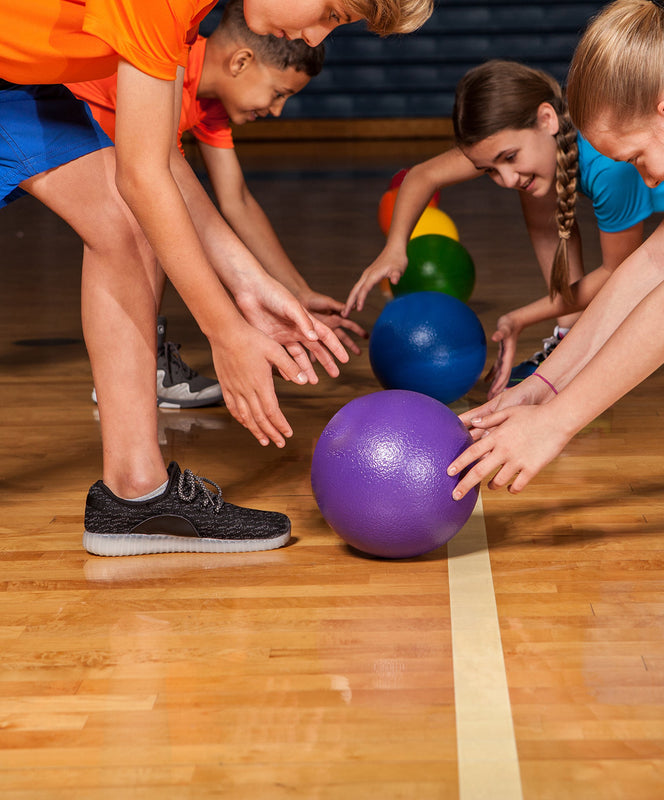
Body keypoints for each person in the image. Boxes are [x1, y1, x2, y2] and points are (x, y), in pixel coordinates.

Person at [0, 0, 433, 556]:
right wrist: (224, 331)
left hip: (21, 86)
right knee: (131, 212)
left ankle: (134, 493)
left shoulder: (188, 15)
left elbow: (157, 160)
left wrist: (249, 283)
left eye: (334, 25)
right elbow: (143, 176)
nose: (313, 33)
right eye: (329, 10)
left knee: (127, 232)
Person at [445, 0, 664, 564]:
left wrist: (555, 426)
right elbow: (659, 262)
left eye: (636, 157)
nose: (649, 177)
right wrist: (546, 385)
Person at [70, 0, 367, 409]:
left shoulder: (209, 107)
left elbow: (237, 201)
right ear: (241, 62)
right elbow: (147, 183)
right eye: (278, 93)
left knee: (150, 213)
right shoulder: (164, 51)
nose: (278, 110)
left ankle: (139, 369)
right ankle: (135, 370)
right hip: (39, 102)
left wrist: (296, 292)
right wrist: (225, 329)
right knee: (142, 217)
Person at [343, 60, 664, 398]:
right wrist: (395, 246)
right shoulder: (538, 149)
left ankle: (576, 347)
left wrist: (519, 318)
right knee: (533, 190)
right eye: (489, 170)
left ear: (546, 119)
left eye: (510, 157)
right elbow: (422, 176)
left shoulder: (610, 166)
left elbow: (619, 274)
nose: (505, 180)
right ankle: (570, 337)